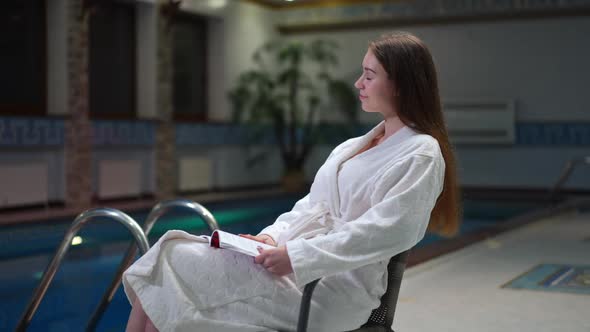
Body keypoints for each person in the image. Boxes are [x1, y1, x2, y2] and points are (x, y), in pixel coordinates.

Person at [123, 31, 460, 332]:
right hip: (297, 269)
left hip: (332, 290)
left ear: (401, 85)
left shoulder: (420, 154)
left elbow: (389, 231)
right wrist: (270, 237)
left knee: (171, 259)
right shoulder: (352, 147)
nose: (358, 83)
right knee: (167, 270)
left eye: (369, 76)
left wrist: (298, 257)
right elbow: (311, 207)